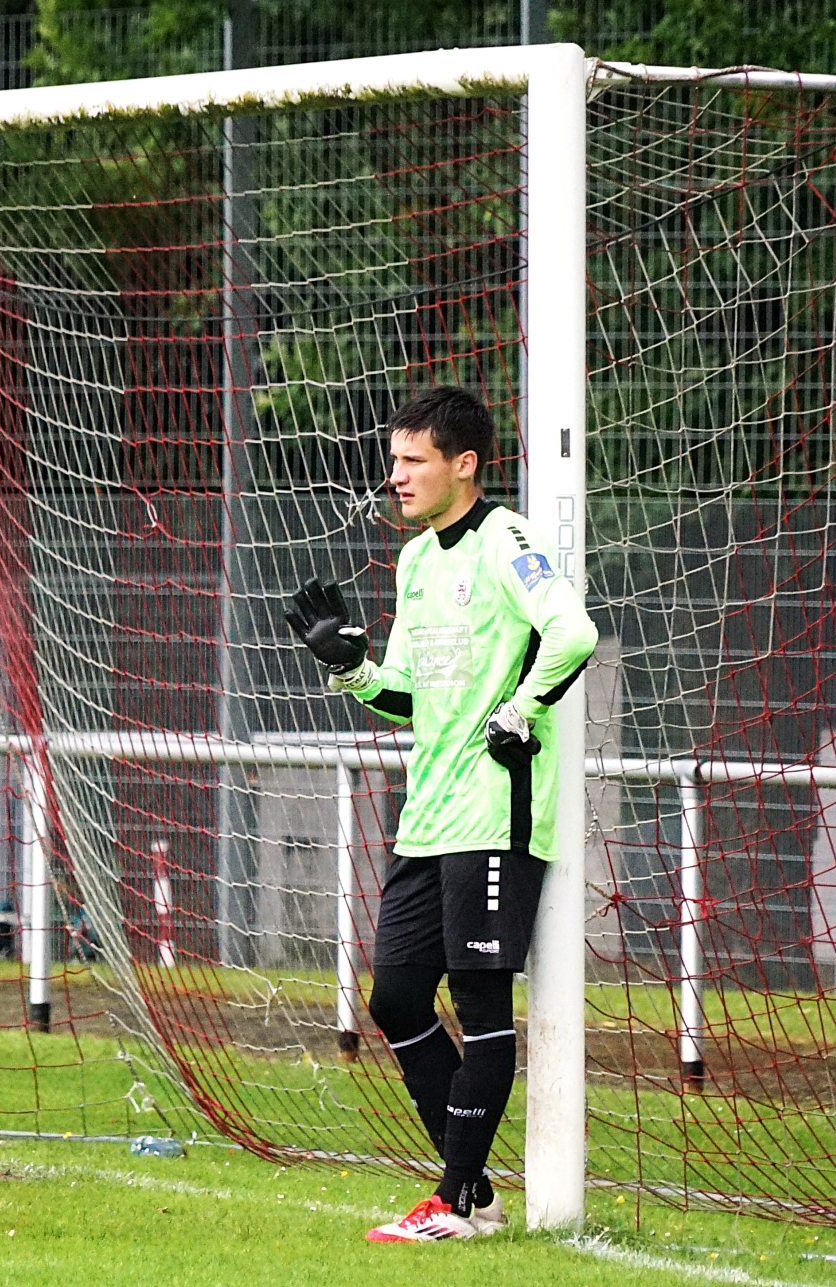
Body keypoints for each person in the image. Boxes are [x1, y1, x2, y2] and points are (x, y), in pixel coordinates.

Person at [283, 385, 598, 1243]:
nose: (397, 475)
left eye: (413, 460)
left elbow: (572, 632)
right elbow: (414, 697)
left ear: (464, 464)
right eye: (393, 460)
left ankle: (454, 1201)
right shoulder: (416, 560)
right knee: (394, 998)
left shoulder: (506, 539)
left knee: (480, 1002)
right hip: (428, 813)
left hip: (494, 811)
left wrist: (522, 707)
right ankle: (476, 1191)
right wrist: (350, 668)